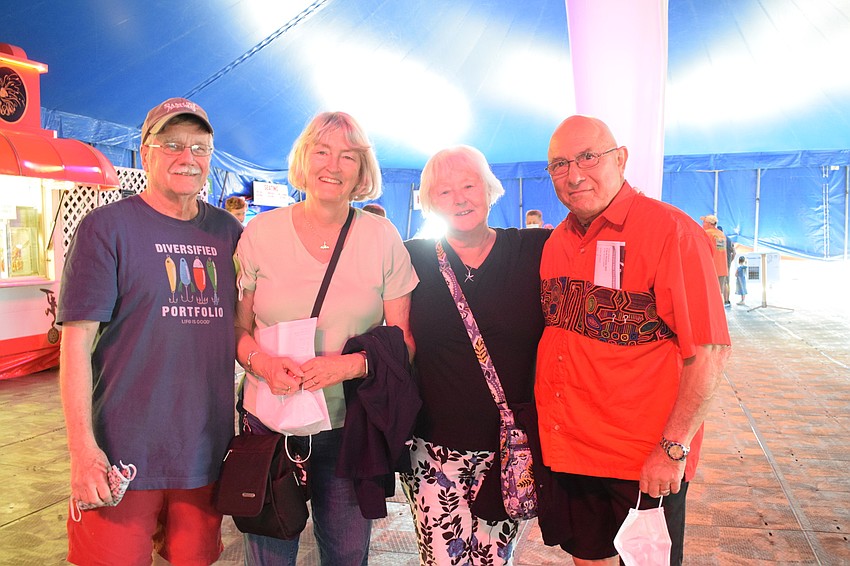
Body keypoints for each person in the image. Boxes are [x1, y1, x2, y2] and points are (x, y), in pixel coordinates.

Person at [537, 115, 731, 565]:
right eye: (560, 164)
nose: (574, 175)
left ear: (621, 159)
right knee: (586, 558)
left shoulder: (671, 232)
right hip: (573, 452)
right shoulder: (557, 242)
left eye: (588, 157)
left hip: (643, 460)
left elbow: (709, 351)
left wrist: (673, 449)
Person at [57, 97, 242, 564]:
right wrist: (82, 451)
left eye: (200, 148)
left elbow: (249, 328)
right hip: (121, 453)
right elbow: (75, 346)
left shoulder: (229, 234)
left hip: (204, 452)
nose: (188, 158)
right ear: (145, 153)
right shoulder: (106, 229)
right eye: (172, 145)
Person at [234, 111, 418, 565]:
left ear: (361, 171)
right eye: (322, 151)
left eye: (348, 156)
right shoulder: (260, 233)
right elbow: (238, 330)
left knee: (347, 555)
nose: (332, 166)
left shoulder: (382, 237)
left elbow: (404, 342)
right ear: (304, 158)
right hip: (270, 424)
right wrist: (262, 364)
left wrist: (350, 365)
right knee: (268, 555)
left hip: (347, 428)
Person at [401, 145, 550, 565]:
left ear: (489, 189)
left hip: (508, 450)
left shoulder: (533, 249)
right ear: (430, 202)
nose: (460, 199)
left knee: (493, 559)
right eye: (444, 191)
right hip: (433, 450)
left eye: (469, 186)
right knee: (441, 559)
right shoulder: (411, 258)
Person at [701, 214, 730, 306]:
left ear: (709, 223)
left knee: (709, 295)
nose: (702, 224)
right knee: (718, 294)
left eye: (704, 222)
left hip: (711, 269)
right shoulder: (721, 234)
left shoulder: (706, 233)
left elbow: (703, 250)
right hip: (722, 269)